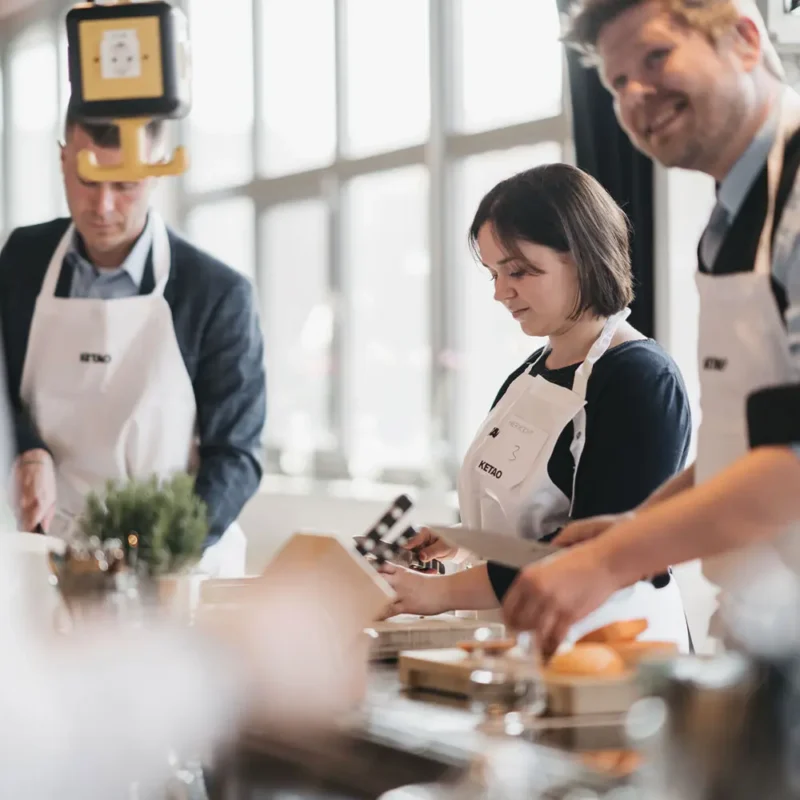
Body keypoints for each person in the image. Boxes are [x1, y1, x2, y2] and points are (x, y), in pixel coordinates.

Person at [501, 0, 800, 655]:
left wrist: (609, 561)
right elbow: (754, 445)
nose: (637, 93)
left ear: (747, 42)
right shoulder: (732, 220)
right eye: (616, 83)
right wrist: (634, 525)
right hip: (764, 635)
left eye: (656, 57)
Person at [378, 163, 691, 650]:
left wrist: (437, 593)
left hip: (610, 653)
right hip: (527, 643)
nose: (502, 293)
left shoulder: (640, 379)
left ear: (585, 257)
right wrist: (467, 538)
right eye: (493, 274)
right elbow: (545, 522)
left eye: (519, 271)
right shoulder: (530, 372)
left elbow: (595, 552)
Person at [0, 102, 266, 577]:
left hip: (174, 567)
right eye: (87, 180)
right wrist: (27, 446)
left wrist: (161, 553)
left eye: (124, 186)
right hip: (51, 558)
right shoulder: (22, 259)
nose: (102, 207)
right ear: (63, 161)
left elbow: (236, 455)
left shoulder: (217, 294)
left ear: (158, 173)